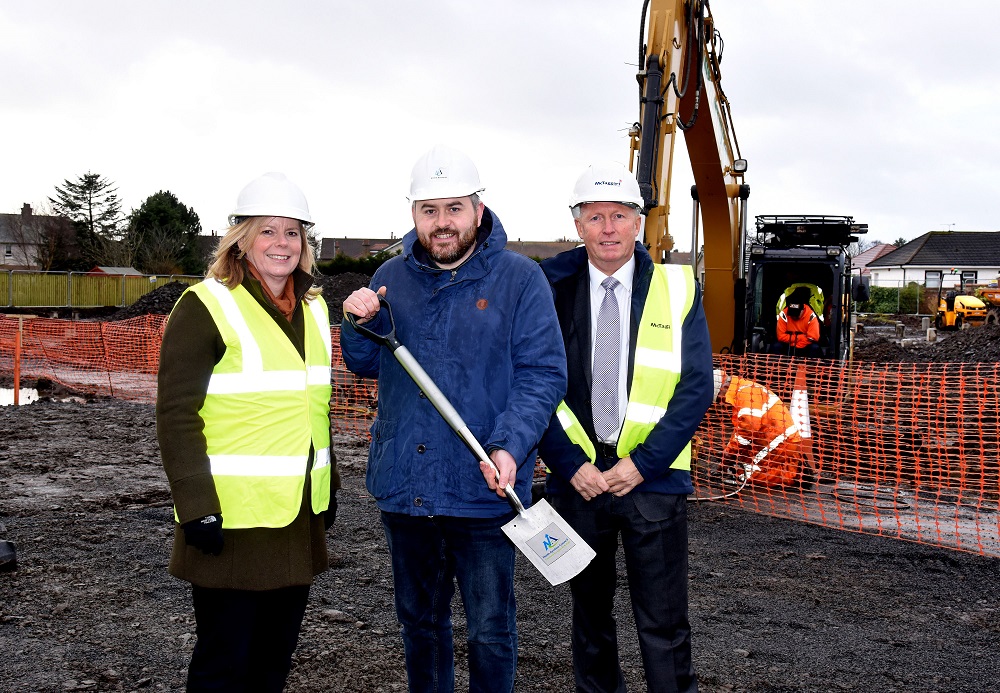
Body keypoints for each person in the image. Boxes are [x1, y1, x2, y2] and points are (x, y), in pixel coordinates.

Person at [339, 144, 567, 693]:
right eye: (429, 210)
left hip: (484, 487)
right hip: (407, 487)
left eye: (454, 209)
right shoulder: (392, 275)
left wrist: (510, 447)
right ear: (414, 215)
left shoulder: (520, 280)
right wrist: (355, 320)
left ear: (478, 210)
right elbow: (365, 362)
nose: (442, 224)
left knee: (490, 631)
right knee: (420, 626)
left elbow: (542, 375)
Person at [157, 172, 339, 692]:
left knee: (272, 662)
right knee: (224, 662)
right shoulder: (206, 305)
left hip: (296, 514)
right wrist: (195, 505)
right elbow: (176, 414)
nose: (281, 244)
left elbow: (313, 408)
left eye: (292, 233)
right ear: (240, 238)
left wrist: (327, 488)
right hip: (230, 518)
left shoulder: (314, 308)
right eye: (267, 231)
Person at [536, 162, 714, 693]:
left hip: (652, 485)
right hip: (581, 484)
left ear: (639, 223)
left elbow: (694, 389)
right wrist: (571, 466)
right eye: (595, 217)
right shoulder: (547, 289)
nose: (608, 228)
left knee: (662, 625)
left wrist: (641, 465)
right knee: (590, 624)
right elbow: (532, 386)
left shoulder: (678, 289)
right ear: (577, 225)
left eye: (619, 215)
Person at [713, 369, 808, 488]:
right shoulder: (744, 389)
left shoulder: (745, 393)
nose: (722, 402)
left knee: (743, 476)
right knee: (742, 463)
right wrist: (729, 453)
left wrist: (728, 454)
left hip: (779, 443)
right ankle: (792, 466)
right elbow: (742, 429)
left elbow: (747, 430)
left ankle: (793, 475)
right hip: (774, 440)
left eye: (719, 398)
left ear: (724, 387)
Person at [771, 285, 821, 357]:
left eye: (796, 314)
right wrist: (800, 338)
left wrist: (796, 343)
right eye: (792, 313)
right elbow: (781, 336)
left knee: (815, 348)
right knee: (776, 346)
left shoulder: (811, 316)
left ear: (802, 310)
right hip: (788, 346)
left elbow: (813, 337)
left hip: (804, 347)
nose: (794, 316)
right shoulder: (784, 314)